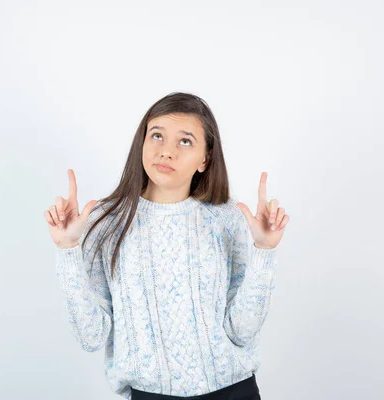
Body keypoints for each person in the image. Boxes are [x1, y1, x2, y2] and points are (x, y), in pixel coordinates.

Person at [44, 92, 290, 399]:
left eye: (185, 141)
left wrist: (264, 251)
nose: (166, 151)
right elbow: (91, 336)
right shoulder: (105, 223)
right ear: (142, 143)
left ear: (205, 158)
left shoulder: (229, 218)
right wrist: (67, 248)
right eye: (157, 135)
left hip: (232, 392)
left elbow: (242, 330)